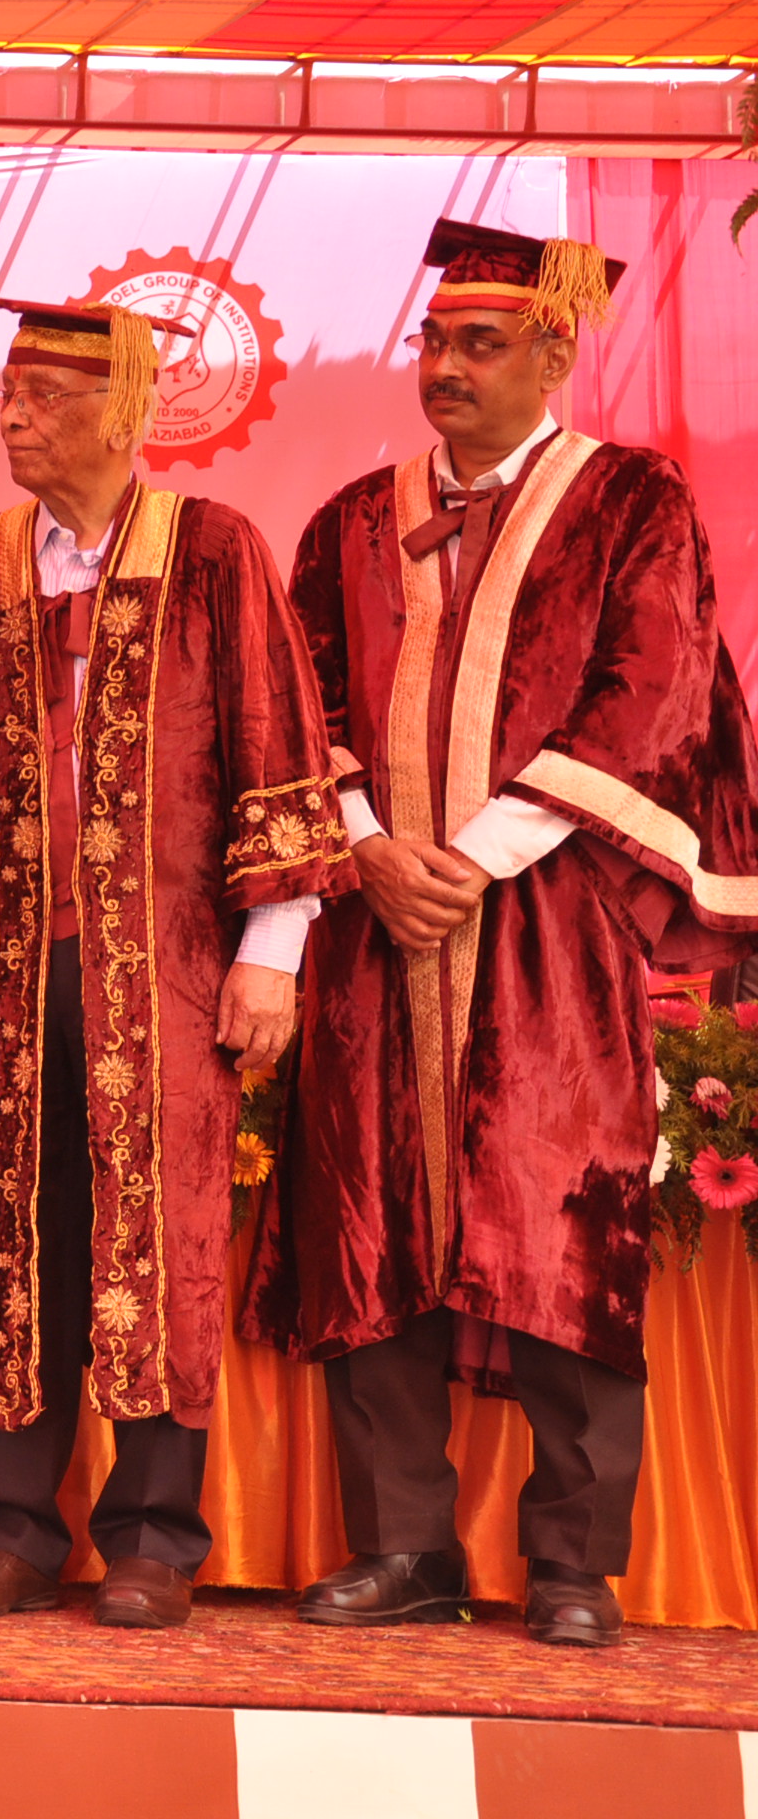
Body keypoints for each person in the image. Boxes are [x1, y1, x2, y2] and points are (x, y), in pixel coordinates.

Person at [249, 218, 758, 1648]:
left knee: (559, 1221)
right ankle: (403, 1550)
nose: (447, 367)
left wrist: (472, 859)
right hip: (377, 920)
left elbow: (651, 695)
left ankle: (573, 1567)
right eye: (435, 341)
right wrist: (367, 845)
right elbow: (302, 702)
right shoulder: (353, 519)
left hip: (545, 916)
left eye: (482, 344)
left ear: (555, 353)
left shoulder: (631, 500)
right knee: (373, 1224)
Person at [0, 296, 350, 1631]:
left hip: (164, 967)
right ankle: (4, 1534)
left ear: (128, 411)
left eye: (46, 396)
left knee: (160, 1241)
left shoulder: (212, 550)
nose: (16, 417)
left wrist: (273, 949)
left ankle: (152, 1540)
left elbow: (275, 743)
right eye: (6, 394)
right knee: (8, 1243)